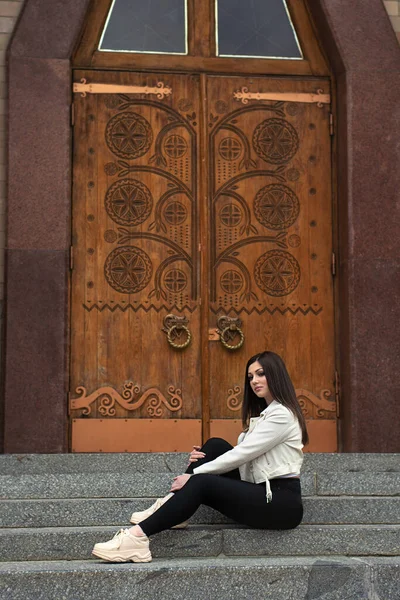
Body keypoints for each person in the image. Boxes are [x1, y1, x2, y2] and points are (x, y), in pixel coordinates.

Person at [92, 350, 308, 563]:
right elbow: (243, 458)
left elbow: (243, 454)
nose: (254, 381)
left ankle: (136, 539)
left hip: (281, 503)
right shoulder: (267, 413)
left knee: (202, 481)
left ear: (275, 374)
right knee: (214, 445)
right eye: (250, 376)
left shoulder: (282, 414)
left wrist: (194, 474)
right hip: (262, 490)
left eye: (261, 374)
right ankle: (176, 505)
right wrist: (204, 461)